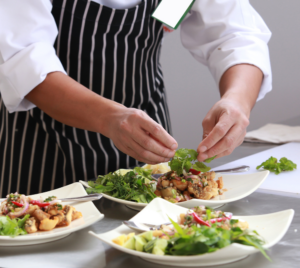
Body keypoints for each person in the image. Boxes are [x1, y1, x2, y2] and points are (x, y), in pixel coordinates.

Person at [0, 0, 272, 197]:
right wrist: (110, 118)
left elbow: (238, 34)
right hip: (43, 142)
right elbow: (23, 59)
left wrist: (236, 101)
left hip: (148, 130)